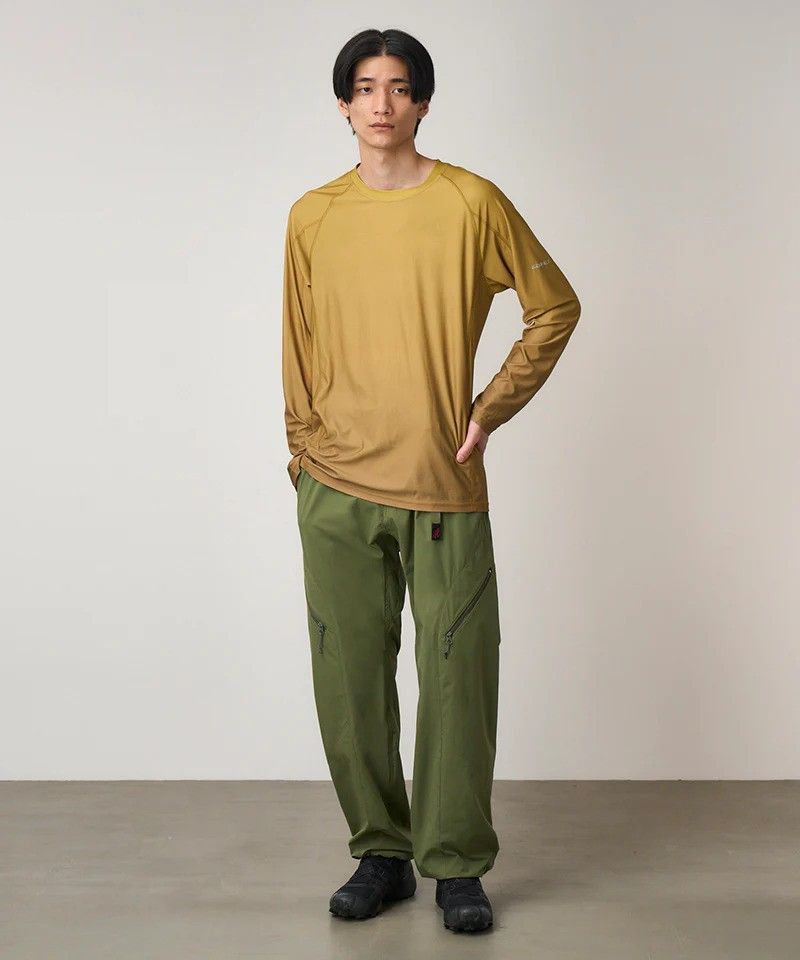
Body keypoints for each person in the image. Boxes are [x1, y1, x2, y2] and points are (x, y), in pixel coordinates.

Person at [281, 27, 581, 934]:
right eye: (366, 87)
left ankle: (455, 863)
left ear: (422, 102)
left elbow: (554, 308)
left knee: (458, 678)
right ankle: (381, 854)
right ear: (343, 104)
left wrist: (489, 409)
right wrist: (302, 453)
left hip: (441, 482)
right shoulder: (312, 216)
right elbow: (297, 343)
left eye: (400, 87)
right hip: (335, 485)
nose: (382, 103)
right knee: (349, 680)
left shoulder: (470, 202)